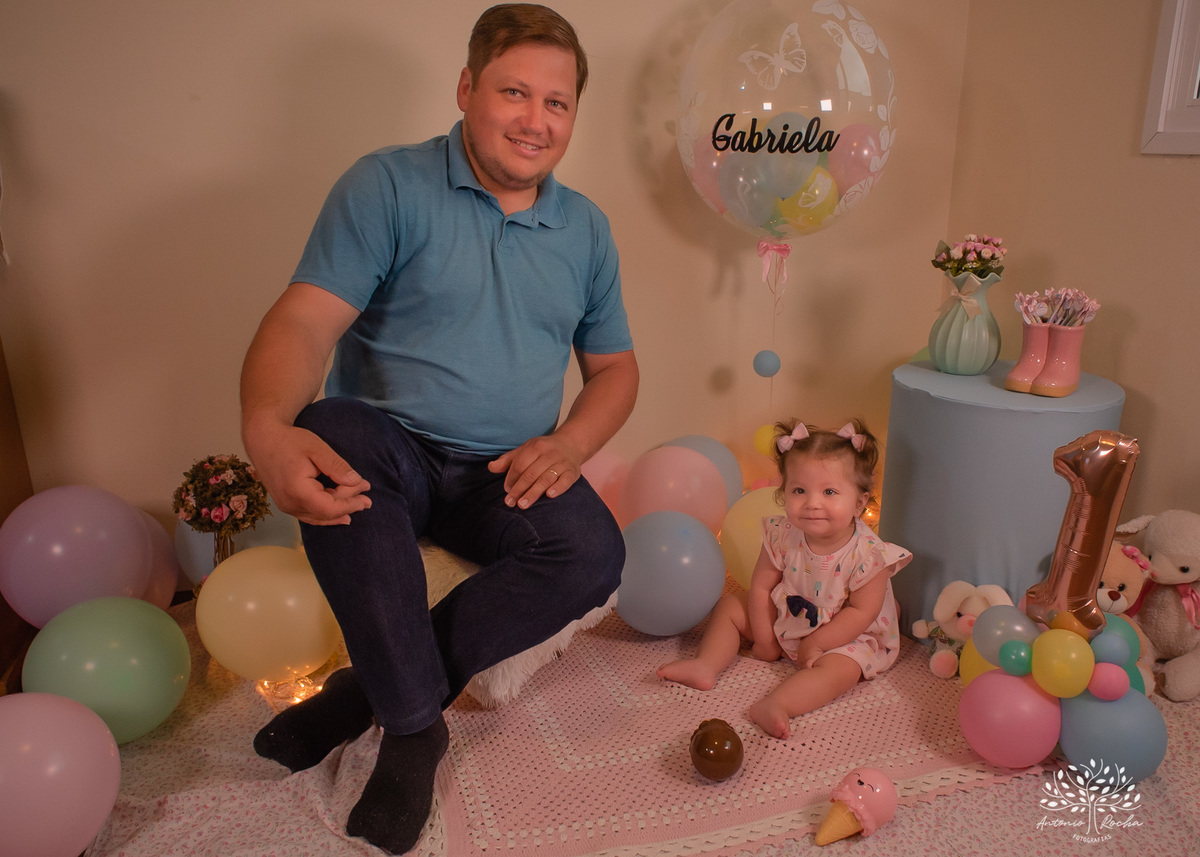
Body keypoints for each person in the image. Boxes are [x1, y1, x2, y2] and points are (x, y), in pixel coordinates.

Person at [238, 5, 638, 854]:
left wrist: (569, 444)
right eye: (514, 92)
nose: (536, 120)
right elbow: (304, 321)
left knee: (595, 552)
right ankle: (416, 727)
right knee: (331, 428)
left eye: (557, 103)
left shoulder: (587, 230)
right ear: (466, 88)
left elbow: (615, 371)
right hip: (394, 451)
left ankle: (366, 694)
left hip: (504, 469)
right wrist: (266, 428)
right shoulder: (386, 185)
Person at [657, 419, 910, 740]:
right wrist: (764, 637)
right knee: (731, 605)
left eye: (829, 492)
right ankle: (706, 664)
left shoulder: (870, 554)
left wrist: (817, 643)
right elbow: (762, 585)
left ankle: (779, 704)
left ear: (859, 503)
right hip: (790, 612)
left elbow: (861, 612)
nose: (812, 502)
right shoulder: (781, 534)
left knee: (843, 670)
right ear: (783, 493)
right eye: (799, 490)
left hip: (845, 634)